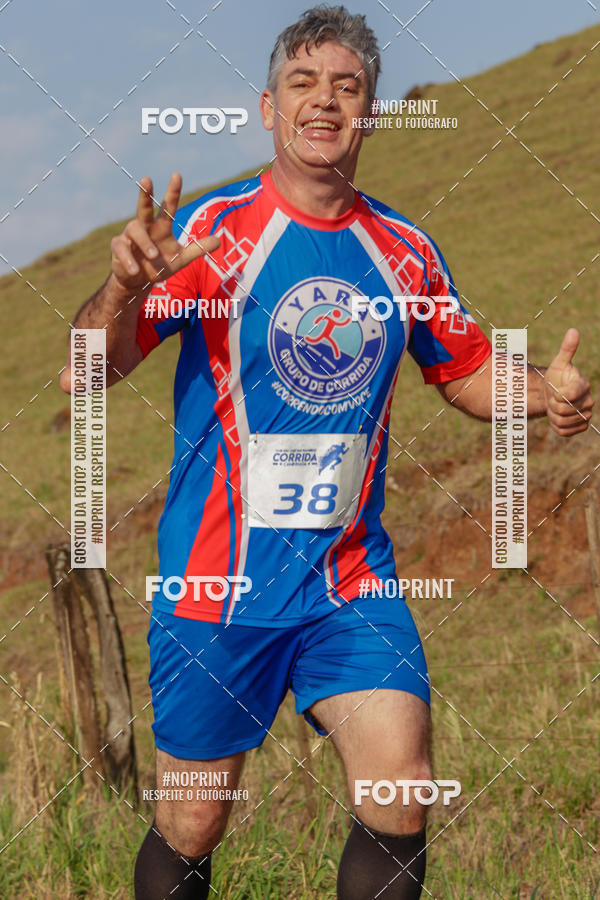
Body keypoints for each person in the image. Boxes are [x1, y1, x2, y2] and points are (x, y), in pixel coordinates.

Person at [61, 6, 594, 898]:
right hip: (216, 586)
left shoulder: (406, 253)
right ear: (268, 109)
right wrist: (119, 289)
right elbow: (88, 370)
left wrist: (546, 393)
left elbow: (464, 372)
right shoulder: (209, 235)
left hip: (351, 583)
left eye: (347, 87)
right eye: (302, 84)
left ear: (372, 112)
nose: (324, 102)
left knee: (402, 787)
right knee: (193, 820)